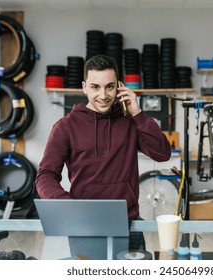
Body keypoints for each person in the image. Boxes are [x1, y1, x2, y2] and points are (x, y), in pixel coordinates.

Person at [35, 55, 171, 258]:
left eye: (109, 87)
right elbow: (45, 175)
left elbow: (162, 153)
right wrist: (68, 206)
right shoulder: (65, 127)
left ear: (119, 87)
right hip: (85, 228)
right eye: (95, 87)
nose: (103, 95)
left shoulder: (130, 121)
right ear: (84, 87)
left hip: (129, 226)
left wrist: (138, 113)